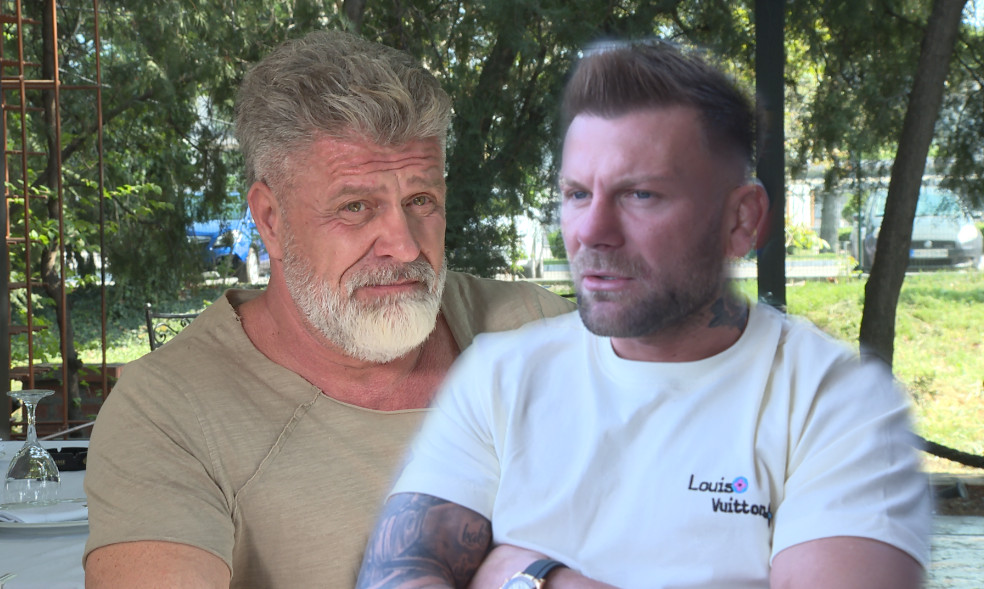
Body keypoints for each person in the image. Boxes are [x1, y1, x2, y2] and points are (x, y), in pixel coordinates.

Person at [356, 39, 931, 589]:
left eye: (641, 195)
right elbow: (394, 573)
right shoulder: (499, 377)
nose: (592, 232)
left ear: (741, 220)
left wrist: (531, 575)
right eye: (578, 194)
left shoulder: (836, 405)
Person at [83, 30, 575, 588]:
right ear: (270, 220)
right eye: (356, 207)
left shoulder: (540, 334)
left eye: (421, 200)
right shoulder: (169, 412)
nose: (404, 246)